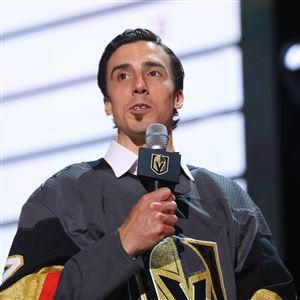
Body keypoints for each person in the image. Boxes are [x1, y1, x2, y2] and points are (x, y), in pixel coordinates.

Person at [0, 28, 297, 300]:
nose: (139, 86)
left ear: (178, 96)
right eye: (122, 76)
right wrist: (121, 245)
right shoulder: (63, 195)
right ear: (107, 103)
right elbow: (18, 296)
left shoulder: (227, 199)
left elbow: (274, 291)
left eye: (154, 73)